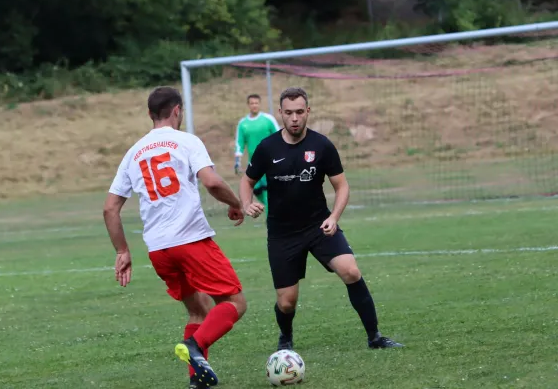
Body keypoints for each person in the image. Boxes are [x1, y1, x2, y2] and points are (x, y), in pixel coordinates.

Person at [103, 86, 247, 389]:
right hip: (190, 240)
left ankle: (198, 382)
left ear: (150, 114)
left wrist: (122, 251)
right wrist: (236, 204)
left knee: (198, 309)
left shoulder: (133, 153)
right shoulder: (186, 141)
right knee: (234, 301)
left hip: (158, 250)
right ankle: (195, 345)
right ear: (177, 111)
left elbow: (110, 209)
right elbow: (212, 182)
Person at [239, 87, 403, 351]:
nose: (294, 118)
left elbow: (342, 186)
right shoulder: (267, 148)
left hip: (319, 226)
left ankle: (375, 337)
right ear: (281, 113)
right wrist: (247, 204)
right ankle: (286, 338)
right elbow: (247, 181)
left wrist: (334, 217)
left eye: (300, 112)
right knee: (287, 302)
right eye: (289, 113)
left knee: (351, 271)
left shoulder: (322, 145)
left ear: (308, 112)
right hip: (283, 234)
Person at [234, 94, 280, 214]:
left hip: (270, 161)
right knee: (257, 190)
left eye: (256, 103)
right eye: (252, 103)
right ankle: (274, 211)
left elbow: (280, 136)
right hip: (253, 163)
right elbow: (239, 143)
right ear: (248, 105)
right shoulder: (243, 123)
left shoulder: (268, 119)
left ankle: (271, 217)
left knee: (268, 190)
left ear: (259, 104)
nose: (254, 105)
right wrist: (237, 161)